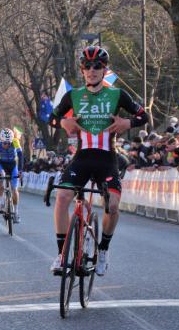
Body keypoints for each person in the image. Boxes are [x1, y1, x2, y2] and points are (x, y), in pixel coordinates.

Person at [50, 46, 148, 276]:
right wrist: (62, 123)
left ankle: (103, 250)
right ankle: (61, 255)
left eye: (97, 66)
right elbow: (52, 118)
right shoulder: (73, 95)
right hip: (82, 158)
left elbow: (144, 116)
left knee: (112, 206)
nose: (92, 70)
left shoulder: (116, 94)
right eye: (87, 66)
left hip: (107, 158)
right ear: (82, 70)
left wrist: (128, 124)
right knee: (62, 197)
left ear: (104, 70)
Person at [0, 128, 23, 222]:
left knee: (14, 189)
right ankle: (1, 202)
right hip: (1, 164)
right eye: (5, 143)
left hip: (12, 165)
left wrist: (20, 170)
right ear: (1, 141)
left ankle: (16, 213)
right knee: (0, 179)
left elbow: (20, 156)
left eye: (9, 143)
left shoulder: (15, 141)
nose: (7, 145)